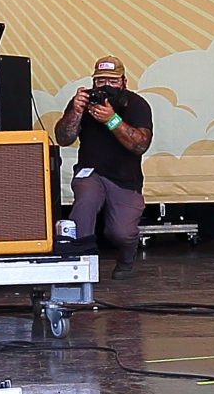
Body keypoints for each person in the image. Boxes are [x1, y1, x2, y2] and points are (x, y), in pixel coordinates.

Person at [54, 55, 153, 280]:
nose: (106, 86)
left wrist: (112, 120)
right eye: (100, 81)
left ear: (124, 82)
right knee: (85, 204)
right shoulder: (84, 102)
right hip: (90, 171)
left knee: (121, 232)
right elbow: (63, 138)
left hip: (124, 178)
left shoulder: (137, 105)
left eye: (112, 81)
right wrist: (76, 112)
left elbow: (140, 145)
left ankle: (126, 259)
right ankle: (81, 263)